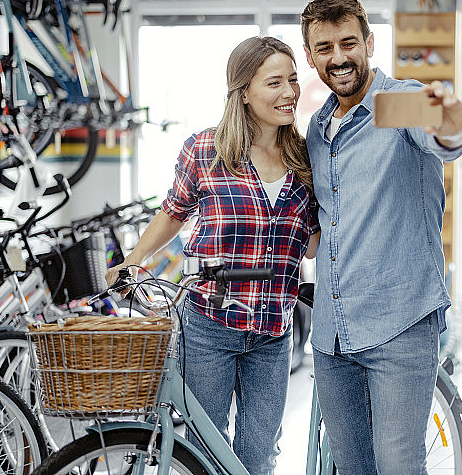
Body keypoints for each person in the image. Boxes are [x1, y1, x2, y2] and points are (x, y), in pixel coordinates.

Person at [105, 35, 320, 475]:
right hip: (209, 324)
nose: (290, 92)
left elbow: (314, 238)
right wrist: (132, 261)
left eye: (293, 80)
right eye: (274, 82)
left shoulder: (305, 156)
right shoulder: (206, 150)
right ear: (244, 92)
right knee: (204, 451)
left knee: (259, 456)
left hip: (273, 329)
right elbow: (173, 212)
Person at [300, 0, 462, 474]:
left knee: (398, 466)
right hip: (333, 335)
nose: (338, 57)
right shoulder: (317, 129)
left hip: (398, 325)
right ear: (310, 56)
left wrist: (451, 115)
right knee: (352, 468)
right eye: (324, 48)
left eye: (348, 43)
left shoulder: (394, 103)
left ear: (369, 43)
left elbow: (449, 136)